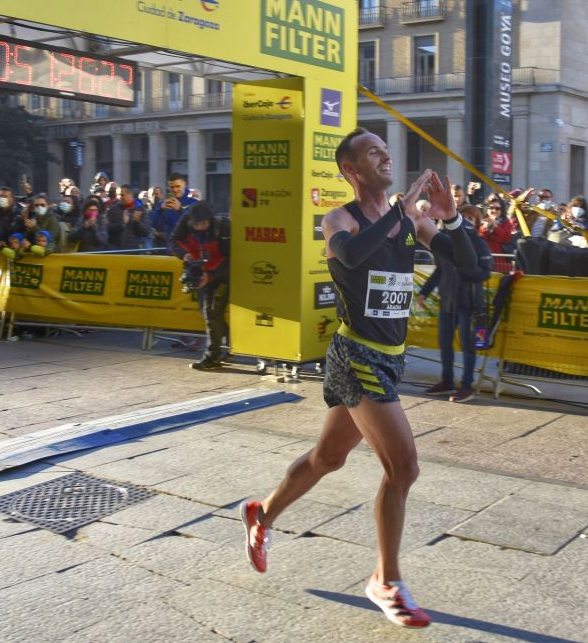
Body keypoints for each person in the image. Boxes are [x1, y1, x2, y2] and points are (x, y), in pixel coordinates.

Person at [238, 128, 478, 629]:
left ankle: (262, 516)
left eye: (386, 150)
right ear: (351, 169)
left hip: (391, 355)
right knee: (404, 467)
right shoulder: (340, 219)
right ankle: (385, 580)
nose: (387, 156)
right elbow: (351, 255)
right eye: (374, 152)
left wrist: (450, 216)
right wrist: (403, 210)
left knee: (328, 457)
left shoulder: (410, 222)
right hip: (356, 357)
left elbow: (470, 266)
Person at [417, 203, 493, 403]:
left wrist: (465, 268)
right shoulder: (447, 241)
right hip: (447, 302)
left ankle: (466, 386)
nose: (466, 221)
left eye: (471, 218)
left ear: (476, 223)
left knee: (468, 346)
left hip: (469, 303)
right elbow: (440, 270)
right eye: (464, 217)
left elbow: (485, 272)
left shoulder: (479, 243)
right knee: (444, 343)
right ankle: (447, 381)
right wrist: (424, 292)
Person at [170, 201, 229, 370]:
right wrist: (185, 255)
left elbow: (231, 257)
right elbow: (173, 240)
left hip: (222, 275)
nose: (200, 227)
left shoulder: (223, 227)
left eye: (203, 224)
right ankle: (228, 346)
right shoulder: (185, 221)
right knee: (209, 313)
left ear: (210, 221)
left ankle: (212, 356)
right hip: (200, 270)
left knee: (210, 313)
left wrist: (211, 276)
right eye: (196, 224)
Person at [152, 173, 196, 252]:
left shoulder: (194, 203)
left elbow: (194, 225)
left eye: (178, 186)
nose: (175, 190)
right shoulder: (163, 204)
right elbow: (154, 225)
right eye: (172, 187)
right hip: (171, 250)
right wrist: (160, 210)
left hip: (189, 251)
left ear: (184, 184)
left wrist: (180, 210)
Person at [478, 195, 516, 272]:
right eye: (491, 208)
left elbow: (505, 238)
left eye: (497, 208)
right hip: (485, 260)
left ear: (501, 210)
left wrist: (495, 226)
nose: (494, 210)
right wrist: (485, 227)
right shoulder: (481, 221)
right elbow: (480, 238)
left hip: (500, 262)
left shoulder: (506, 222)